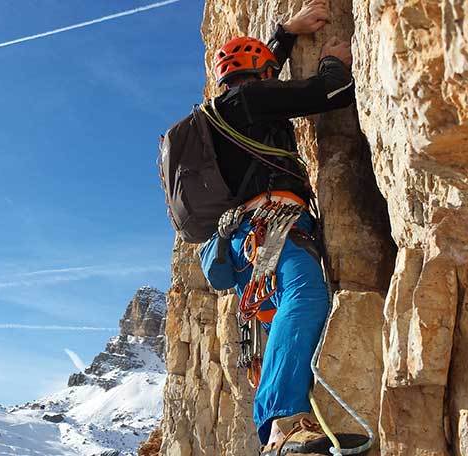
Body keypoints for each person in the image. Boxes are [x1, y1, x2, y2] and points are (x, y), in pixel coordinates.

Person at [197, 0, 354, 453]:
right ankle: (282, 425)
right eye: (271, 72)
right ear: (262, 76)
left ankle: (281, 421)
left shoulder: (229, 106)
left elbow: (267, 78)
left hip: (250, 239)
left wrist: (285, 32)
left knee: (289, 306)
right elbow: (330, 93)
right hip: (273, 228)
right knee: (305, 297)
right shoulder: (250, 100)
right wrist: (331, 61)